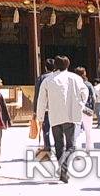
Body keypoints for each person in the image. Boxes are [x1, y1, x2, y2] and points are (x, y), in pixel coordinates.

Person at [36, 55, 88, 183]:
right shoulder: (75, 78)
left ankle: (62, 170)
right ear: (68, 65)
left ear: (55, 66)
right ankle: (64, 169)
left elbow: (41, 100)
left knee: (59, 145)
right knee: (71, 146)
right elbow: (85, 93)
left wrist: (40, 117)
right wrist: (80, 104)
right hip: (71, 115)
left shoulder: (48, 80)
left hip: (55, 116)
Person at [33, 58, 55, 153]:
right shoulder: (56, 77)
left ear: (45, 67)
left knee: (45, 129)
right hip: (56, 107)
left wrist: (35, 110)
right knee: (57, 128)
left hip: (45, 108)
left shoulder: (41, 78)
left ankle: (47, 146)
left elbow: (37, 94)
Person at [74, 67, 95, 152]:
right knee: (88, 131)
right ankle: (89, 148)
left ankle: (77, 149)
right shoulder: (88, 84)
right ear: (84, 73)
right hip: (87, 109)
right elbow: (93, 97)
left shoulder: (74, 84)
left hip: (77, 109)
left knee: (77, 131)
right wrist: (92, 108)